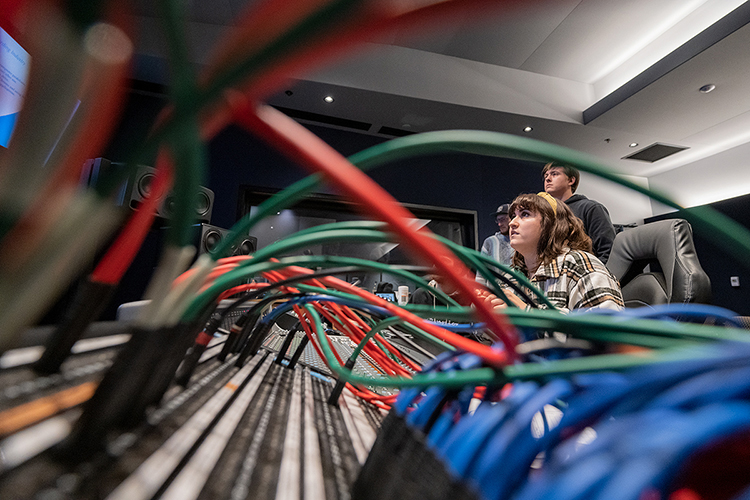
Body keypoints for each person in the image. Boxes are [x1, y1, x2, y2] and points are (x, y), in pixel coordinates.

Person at [494, 192, 624, 312]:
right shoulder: (511, 275)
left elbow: (608, 329)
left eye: (525, 214)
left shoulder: (580, 265)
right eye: (513, 216)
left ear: (551, 225)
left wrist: (526, 313)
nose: (512, 223)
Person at [542, 162, 616, 264]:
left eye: (554, 174)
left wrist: (594, 277)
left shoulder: (591, 208)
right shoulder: (545, 214)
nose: (547, 179)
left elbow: (608, 252)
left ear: (571, 180)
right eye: (546, 175)